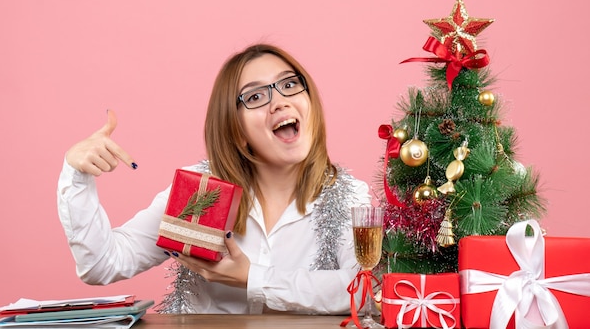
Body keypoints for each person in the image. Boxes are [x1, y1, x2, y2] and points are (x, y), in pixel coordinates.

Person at [57, 43, 371, 314]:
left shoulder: (349, 197)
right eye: (256, 96)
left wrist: (253, 277)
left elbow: (364, 288)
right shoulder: (199, 190)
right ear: (236, 131)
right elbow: (103, 264)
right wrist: (77, 174)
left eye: (289, 85)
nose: (280, 101)